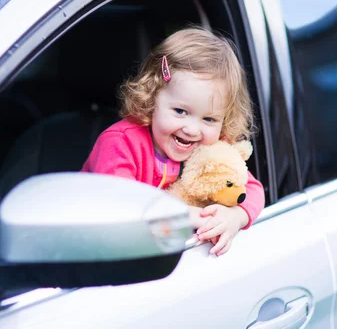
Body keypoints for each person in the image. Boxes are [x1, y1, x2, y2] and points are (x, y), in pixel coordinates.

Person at [82, 26, 264, 256]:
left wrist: (236, 216)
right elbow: (118, 204)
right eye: (180, 111)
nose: (192, 129)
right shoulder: (120, 144)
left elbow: (254, 189)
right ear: (152, 96)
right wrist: (187, 214)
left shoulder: (213, 150)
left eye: (209, 119)